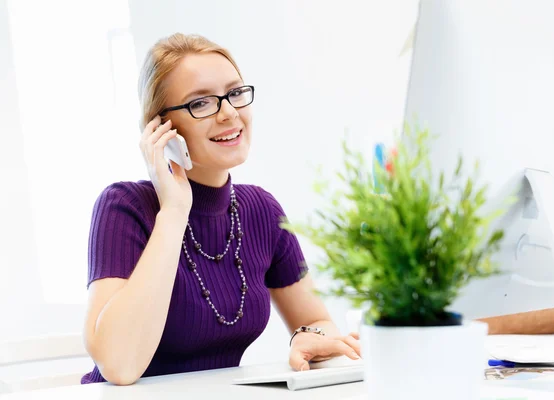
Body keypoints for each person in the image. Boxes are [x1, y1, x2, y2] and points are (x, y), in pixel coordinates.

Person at [81, 33, 361, 386]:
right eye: (200, 103)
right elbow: (119, 366)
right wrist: (175, 209)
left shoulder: (261, 210)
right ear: (161, 128)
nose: (229, 112)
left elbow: (318, 322)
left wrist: (309, 338)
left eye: (235, 93)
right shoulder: (123, 207)